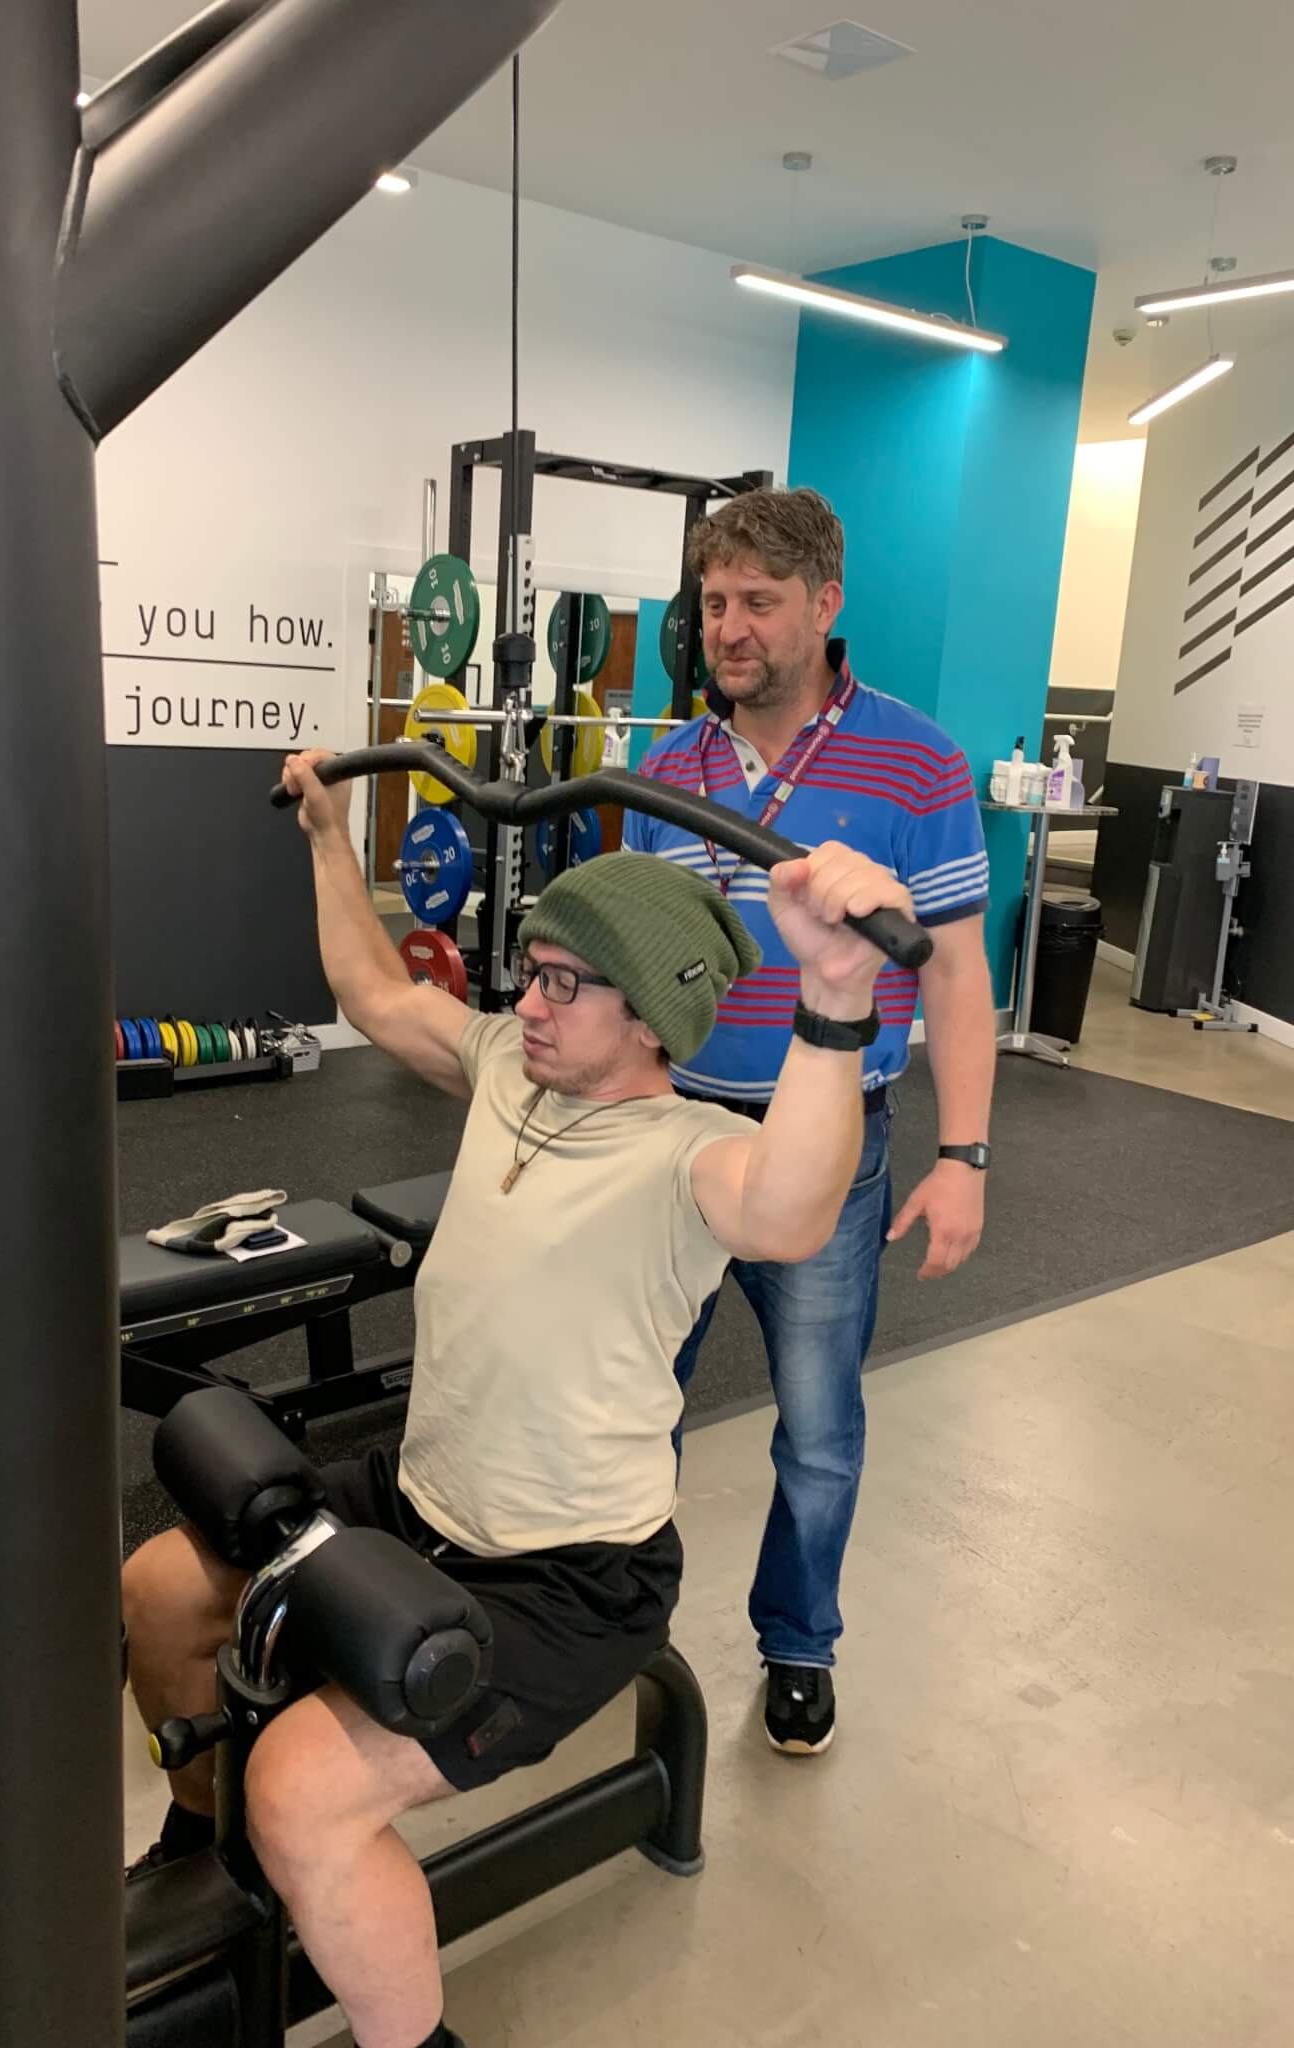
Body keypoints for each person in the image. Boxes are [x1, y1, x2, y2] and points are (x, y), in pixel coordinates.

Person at [122, 744, 916, 2048]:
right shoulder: (504, 1061)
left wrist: (836, 997)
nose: (528, 1002)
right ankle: (200, 1847)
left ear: (655, 1014)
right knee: (160, 1590)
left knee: (308, 1793)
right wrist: (330, 834)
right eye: (529, 975)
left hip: (565, 1580)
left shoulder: (692, 1156)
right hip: (411, 1502)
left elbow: (793, 1208)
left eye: (565, 984)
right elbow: (375, 990)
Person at [624, 486, 995, 1759]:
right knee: (630, 1401)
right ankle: (613, 1621)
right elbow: (633, 969)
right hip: (672, 1139)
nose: (728, 627)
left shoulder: (918, 759)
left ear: (826, 606)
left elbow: (954, 972)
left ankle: (797, 1640)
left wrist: (964, 1156)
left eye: (758, 603)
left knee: (819, 1423)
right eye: (714, 601)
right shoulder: (666, 773)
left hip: (833, 1147)